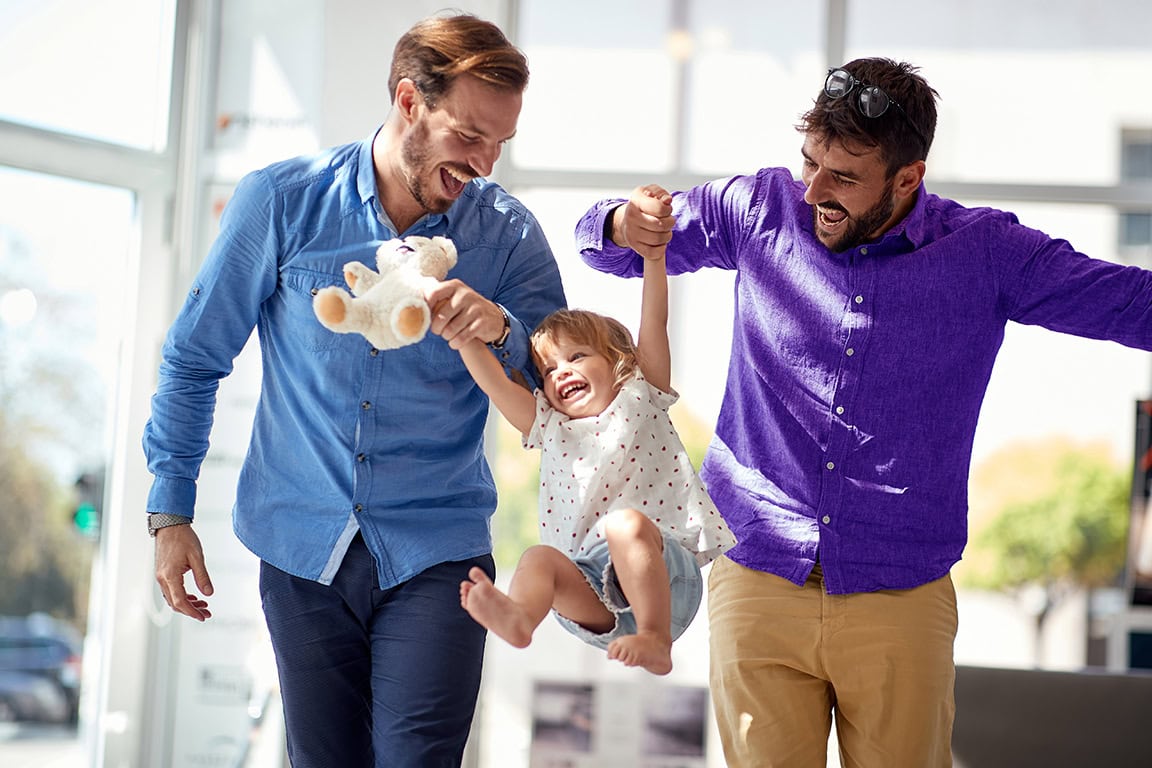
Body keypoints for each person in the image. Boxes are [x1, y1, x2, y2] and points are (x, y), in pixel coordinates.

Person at [575, 58, 1152, 767]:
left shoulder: (986, 253)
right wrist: (624, 221)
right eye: (811, 162)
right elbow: (611, 247)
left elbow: (1129, 302)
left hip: (899, 595)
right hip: (757, 577)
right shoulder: (759, 207)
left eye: (844, 177)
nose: (814, 189)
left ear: (908, 179)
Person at [142, 12, 565, 768]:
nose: (486, 163)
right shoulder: (280, 202)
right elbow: (193, 356)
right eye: (470, 136)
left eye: (500, 143)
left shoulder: (510, 237)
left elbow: (563, 396)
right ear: (409, 102)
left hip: (439, 550)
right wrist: (169, 513)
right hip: (300, 543)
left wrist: (501, 328)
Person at [454, 187, 736, 676]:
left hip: (664, 572)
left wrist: (654, 258)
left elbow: (655, 319)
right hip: (590, 587)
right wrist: (462, 339)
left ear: (618, 362)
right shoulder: (550, 426)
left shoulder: (641, 392)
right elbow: (497, 385)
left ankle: (654, 638)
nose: (561, 372)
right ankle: (521, 616)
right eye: (549, 370)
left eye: (577, 357)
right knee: (539, 558)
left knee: (624, 525)